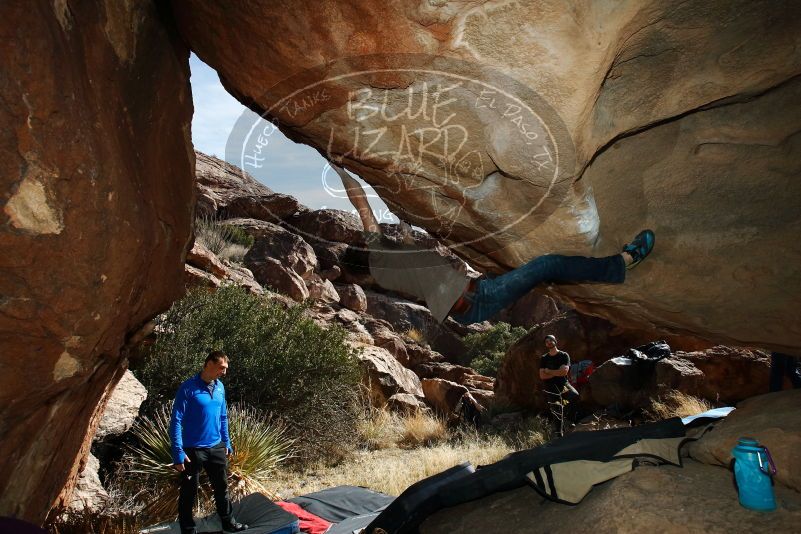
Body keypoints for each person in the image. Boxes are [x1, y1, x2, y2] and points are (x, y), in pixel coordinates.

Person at [332, 163, 656, 325]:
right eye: (363, 239)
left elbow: (412, 254)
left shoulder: (387, 267)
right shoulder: (377, 255)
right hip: (476, 300)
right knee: (547, 265)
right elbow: (359, 202)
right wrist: (337, 166)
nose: (365, 234)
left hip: (470, 299)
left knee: (530, 266)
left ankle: (599, 272)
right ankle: (623, 262)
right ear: (363, 251)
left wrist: (403, 224)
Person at [170, 351, 247, 534]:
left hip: (216, 447)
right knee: (189, 491)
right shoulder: (188, 388)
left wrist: (226, 442)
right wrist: (177, 452)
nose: (224, 372)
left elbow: (222, 417)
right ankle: (188, 529)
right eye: (221, 368)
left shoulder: (220, 387)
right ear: (208, 364)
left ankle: (228, 523)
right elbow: (176, 421)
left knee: (222, 488)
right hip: (193, 450)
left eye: (226, 369)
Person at [538, 334, 579, 430]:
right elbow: (542, 375)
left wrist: (549, 371)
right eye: (547, 342)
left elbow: (564, 371)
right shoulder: (544, 358)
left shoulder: (564, 355)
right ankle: (559, 434)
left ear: (555, 341)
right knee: (556, 410)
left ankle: (569, 420)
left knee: (574, 395)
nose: (549, 343)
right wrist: (557, 372)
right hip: (550, 386)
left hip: (563, 384)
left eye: (550, 340)